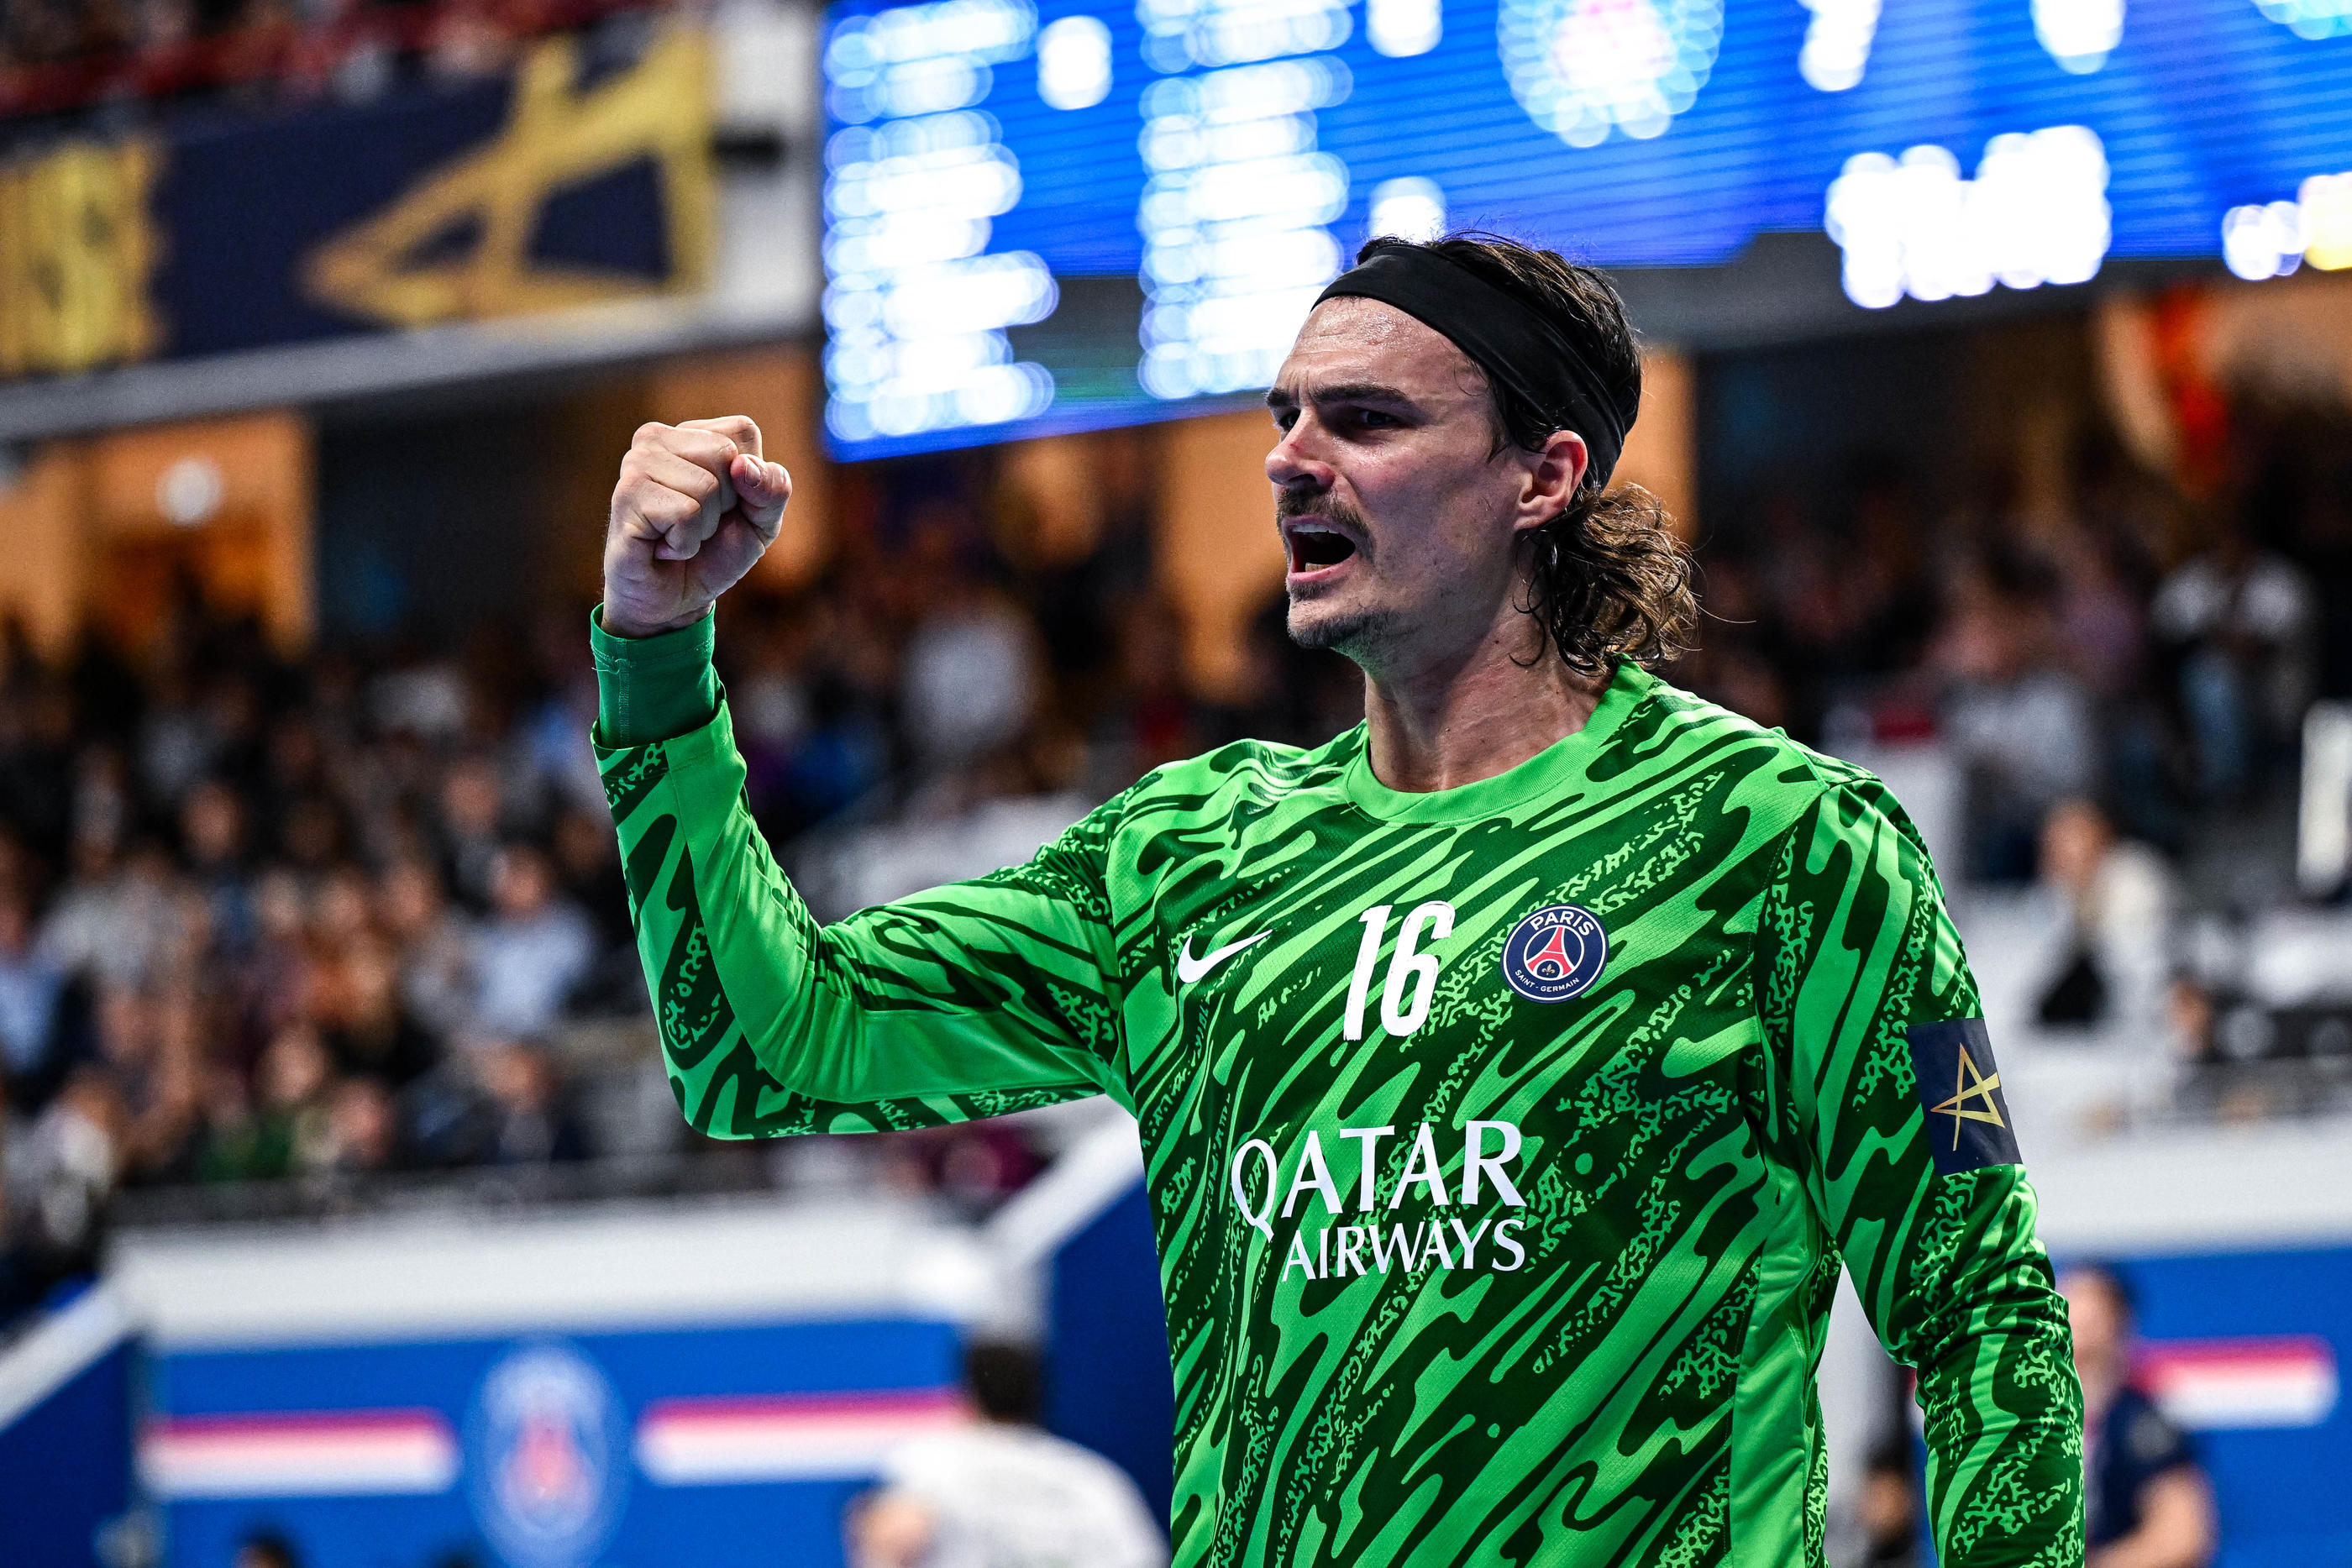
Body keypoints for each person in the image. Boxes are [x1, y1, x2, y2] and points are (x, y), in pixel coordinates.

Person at [591, 233, 2083, 1565]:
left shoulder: (1781, 844)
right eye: (1283, 418)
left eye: (1366, 420)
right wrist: (657, 650)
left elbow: (1983, 1322)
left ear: (1544, 476)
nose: (1291, 460)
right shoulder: (1188, 855)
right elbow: (763, 1044)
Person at [845, 1340, 1167, 1568]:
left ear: (969, 1395)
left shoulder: (930, 1460)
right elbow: (1143, 1559)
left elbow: (895, 1538)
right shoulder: (1094, 1476)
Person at [2059, 1264, 2216, 1568]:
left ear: (2116, 1327)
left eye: (2086, 1319)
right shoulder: (2046, 1422)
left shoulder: (2140, 1423)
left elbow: (2183, 1536)